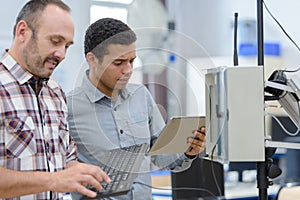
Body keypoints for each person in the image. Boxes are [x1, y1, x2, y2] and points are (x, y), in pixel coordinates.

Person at [67, 18, 206, 200]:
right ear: (92, 60)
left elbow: (160, 154)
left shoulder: (141, 96)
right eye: (119, 63)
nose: (128, 70)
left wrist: (187, 151)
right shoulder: (67, 108)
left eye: (132, 61)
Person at [0, 1, 110, 199]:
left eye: (67, 45)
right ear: (23, 31)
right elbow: (56, 178)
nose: (62, 54)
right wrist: (53, 179)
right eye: (55, 41)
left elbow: (67, 158)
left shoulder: (55, 93)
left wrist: (83, 173)